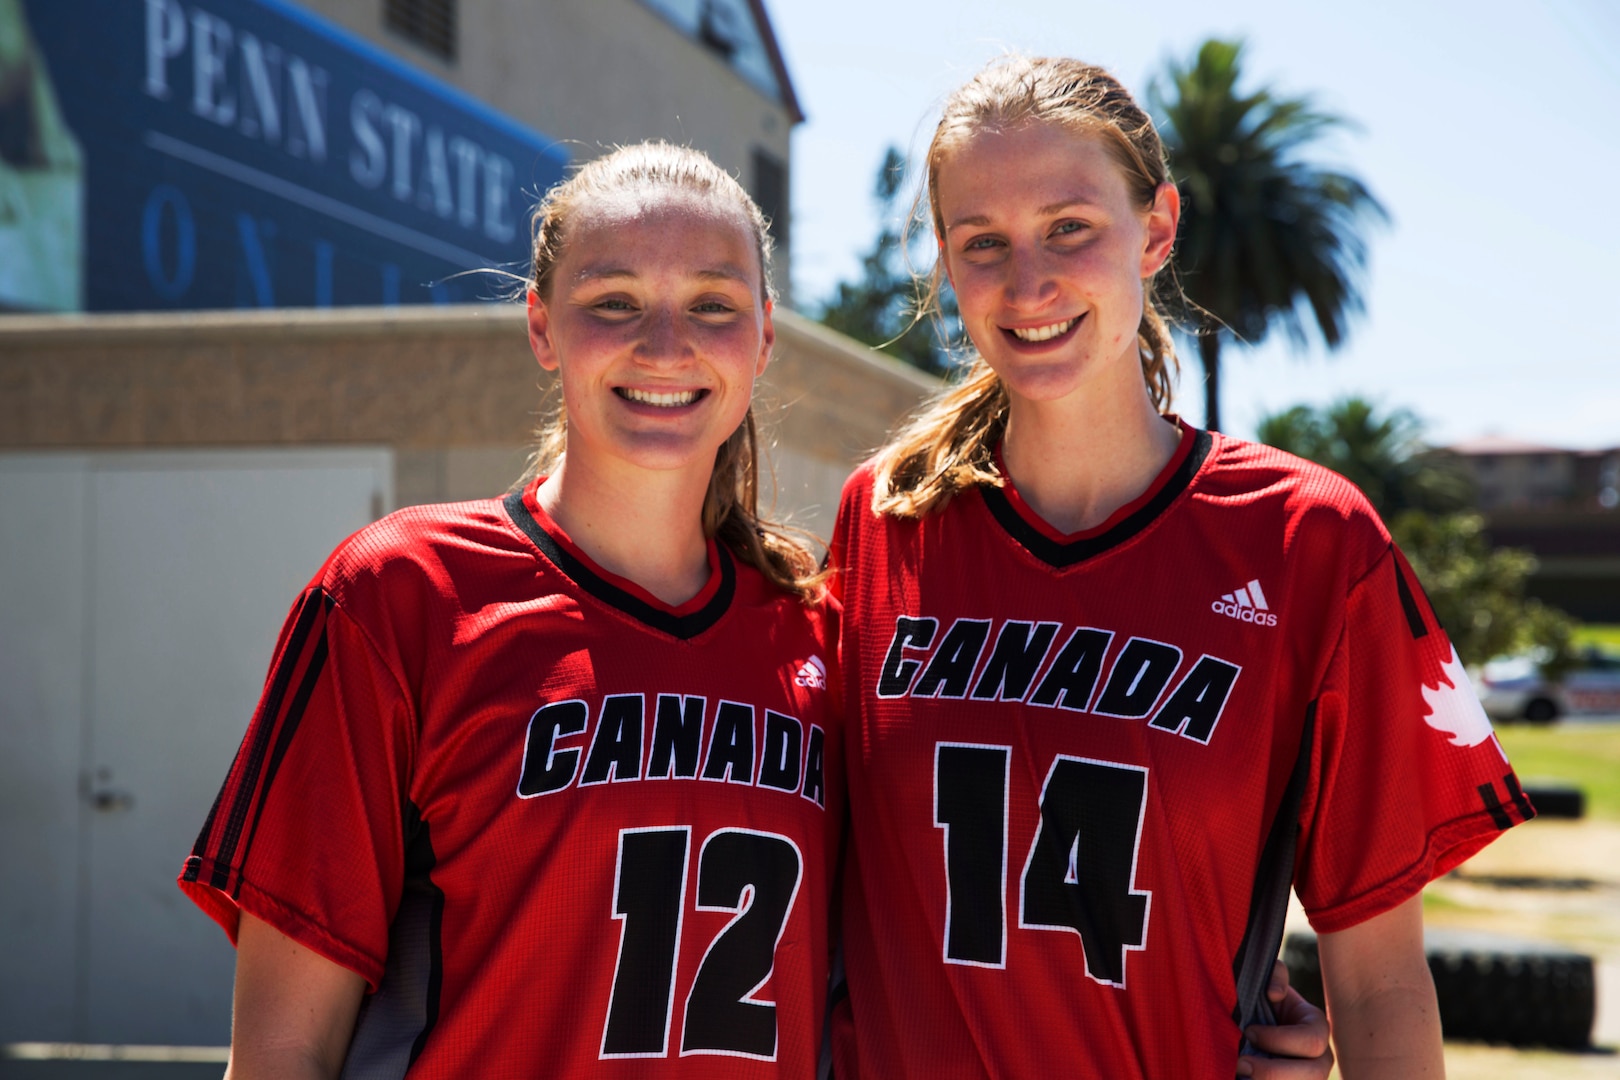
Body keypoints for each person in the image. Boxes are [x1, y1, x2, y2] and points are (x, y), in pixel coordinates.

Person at [828, 56, 1530, 1079]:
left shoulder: (1309, 542)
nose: (1029, 283)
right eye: (984, 244)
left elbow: (1379, 982)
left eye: (1071, 227)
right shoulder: (883, 521)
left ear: (1156, 228)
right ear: (946, 261)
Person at [178, 142, 842, 1078]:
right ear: (540, 325)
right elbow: (284, 1053)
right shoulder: (401, 593)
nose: (664, 343)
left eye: (712, 305)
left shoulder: (821, 637)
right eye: (613, 301)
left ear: (764, 336)